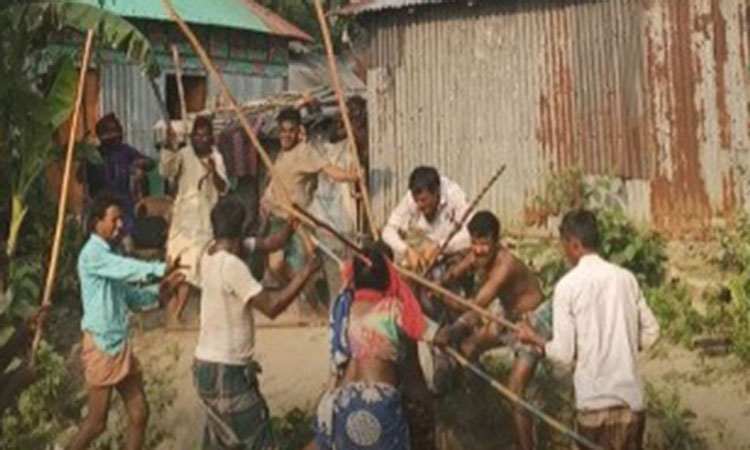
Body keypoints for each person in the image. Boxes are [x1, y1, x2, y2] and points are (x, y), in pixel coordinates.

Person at [515, 209, 660, 450]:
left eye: (563, 245)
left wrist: (533, 338)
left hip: (594, 408)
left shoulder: (567, 287)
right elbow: (652, 332)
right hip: (632, 407)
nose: (563, 253)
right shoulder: (626, 278)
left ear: (574, 244)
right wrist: (623, 347)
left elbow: (563, 354)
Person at [193, 197, 321, 449]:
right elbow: (272, 306)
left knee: (222, 442)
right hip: (225, 371)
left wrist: (291, 224)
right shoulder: (231, 266)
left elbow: (272, 243)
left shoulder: (209, 251)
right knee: (260, 441)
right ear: (240, 232)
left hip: (207, 367)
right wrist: (306, 272)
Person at [66, 193, 183, 450]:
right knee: (96, 423)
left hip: (119, 344)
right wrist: (159, 269)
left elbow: (128, 295)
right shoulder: (93, 254)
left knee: (139, 413)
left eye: (121, 219)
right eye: (114, 220)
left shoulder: (110, 253)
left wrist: (159, 292)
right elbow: (124, 268)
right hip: (102, 345)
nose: (120, 225)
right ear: (97, 222)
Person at [434, 210, 550, 450]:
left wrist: (452, 327)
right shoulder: (477, 254)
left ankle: (525, 446)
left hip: (532, 322)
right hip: (508, 317)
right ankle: (480, 414)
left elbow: (476, 307)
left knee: (515, 389)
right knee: (468, 347)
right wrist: (439, 282)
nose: (478, 250)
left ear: (496, 242)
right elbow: (456, 271)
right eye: (474, 243)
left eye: (484, 244)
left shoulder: (505, 265)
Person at [312, 246, 432, 450]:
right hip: (379, 405)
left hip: (342, 402)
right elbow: (415, 375)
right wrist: (464, 324)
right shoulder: (394, 311)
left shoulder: (342, 308)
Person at [260, 107, 358, 284]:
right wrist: (266, 200)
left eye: (291, 131)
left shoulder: (305, 152)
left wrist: (352, 176)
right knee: (275, 266)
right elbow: (276, 183)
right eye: (283, 131)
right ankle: (293, 291)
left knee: (302, 270)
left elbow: (329, 170)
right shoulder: (281, 154)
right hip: (277, 218)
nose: (286, 135)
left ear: (298, 131)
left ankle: (305, 294)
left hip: (297, 222)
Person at [160, 116, 228, 325]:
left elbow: (223, 188)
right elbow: (166, 171)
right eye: (197, 135)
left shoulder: (216, 158)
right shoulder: (184, 154)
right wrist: (168, 147)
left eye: (205, 135)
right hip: (182, 221)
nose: (201, 139)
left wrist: (212, 171)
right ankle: (171, 310)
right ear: (192, 137)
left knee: (189, 267)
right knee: (172, 264)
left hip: (203, 221)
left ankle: (177, 314)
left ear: (211, 137)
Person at [381, 166, 470, 274]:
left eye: (423, 200)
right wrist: (406, 251)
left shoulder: (454, 195)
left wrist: (439, 246)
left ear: (436, 192)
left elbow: (470, 234)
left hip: (450, 251)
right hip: (422, 247)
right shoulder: (410, 198)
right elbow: (388, 230)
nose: (419, 205)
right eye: (416, 200)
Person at [83, 113, 152, 234]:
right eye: (111, 131)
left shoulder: (124, 151)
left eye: (118, 130)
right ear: (101, 134)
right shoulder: (95, 154)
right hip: (101, 204)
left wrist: (137, 165)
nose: (116, 135)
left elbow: (149, 163)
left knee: (127, 229)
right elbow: (80, 176)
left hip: (124, 203)